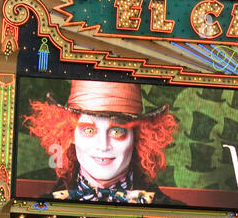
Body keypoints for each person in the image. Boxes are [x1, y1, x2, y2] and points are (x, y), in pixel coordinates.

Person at [24, 80, 181, 205]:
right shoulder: (43, 206)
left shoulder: (173, 211)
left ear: (138, 138)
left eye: (117, 131)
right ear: (70, 134)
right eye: (89, 130)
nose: (103, 146)